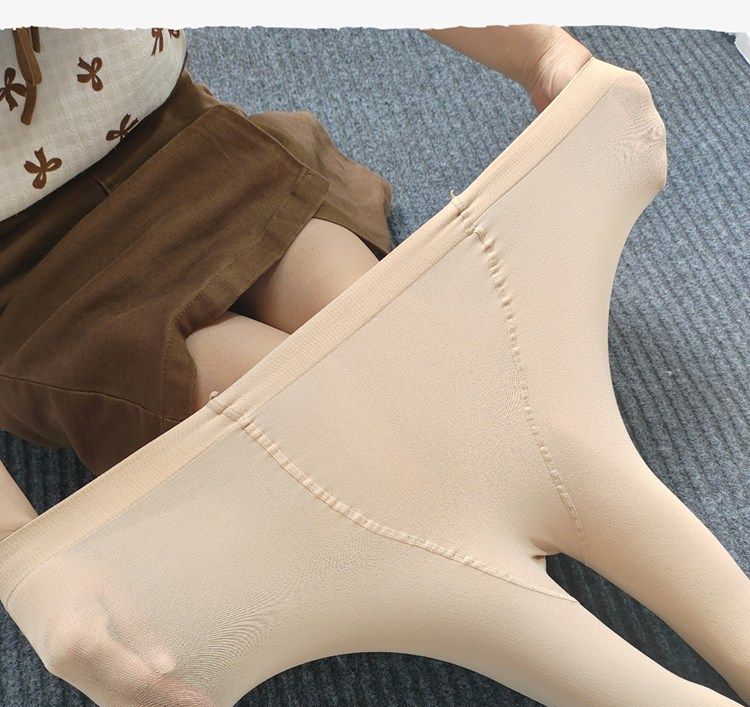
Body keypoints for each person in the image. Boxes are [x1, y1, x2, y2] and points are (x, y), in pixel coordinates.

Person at [0, 24, 591, 540]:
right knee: (339, 443)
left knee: (420, 368)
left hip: (186, 145)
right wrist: (24, 554)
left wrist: (540, 53)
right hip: (36, 273)